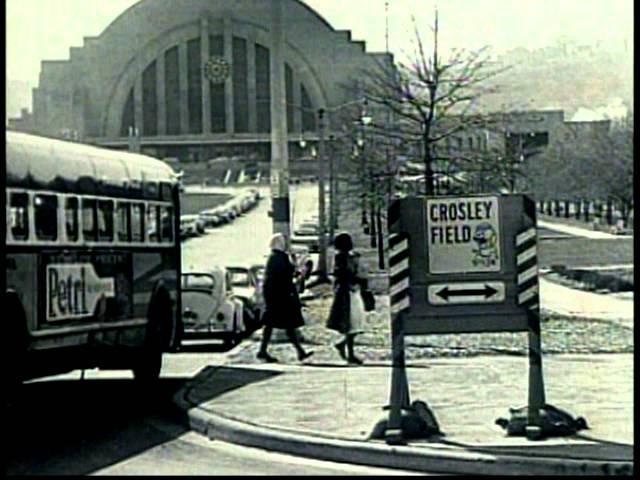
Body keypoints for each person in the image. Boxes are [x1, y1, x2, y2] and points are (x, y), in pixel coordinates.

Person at [257, 233, 314, 363]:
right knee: (283, 324)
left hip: (276, 296)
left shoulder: (275, 257)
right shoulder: (279, 258)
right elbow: (288, 275)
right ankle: (298, 351)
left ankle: (299, 351)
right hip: (280, 297)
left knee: (279, 324)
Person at [326, 232, 366, 365]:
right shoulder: (340, 258)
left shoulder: (351, 256)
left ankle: (343, 345)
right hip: (346, 293)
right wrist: (356, 278)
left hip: (353, 291)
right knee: (350, 323)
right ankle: (350, 353)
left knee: (356, 324)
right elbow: (343, 274)